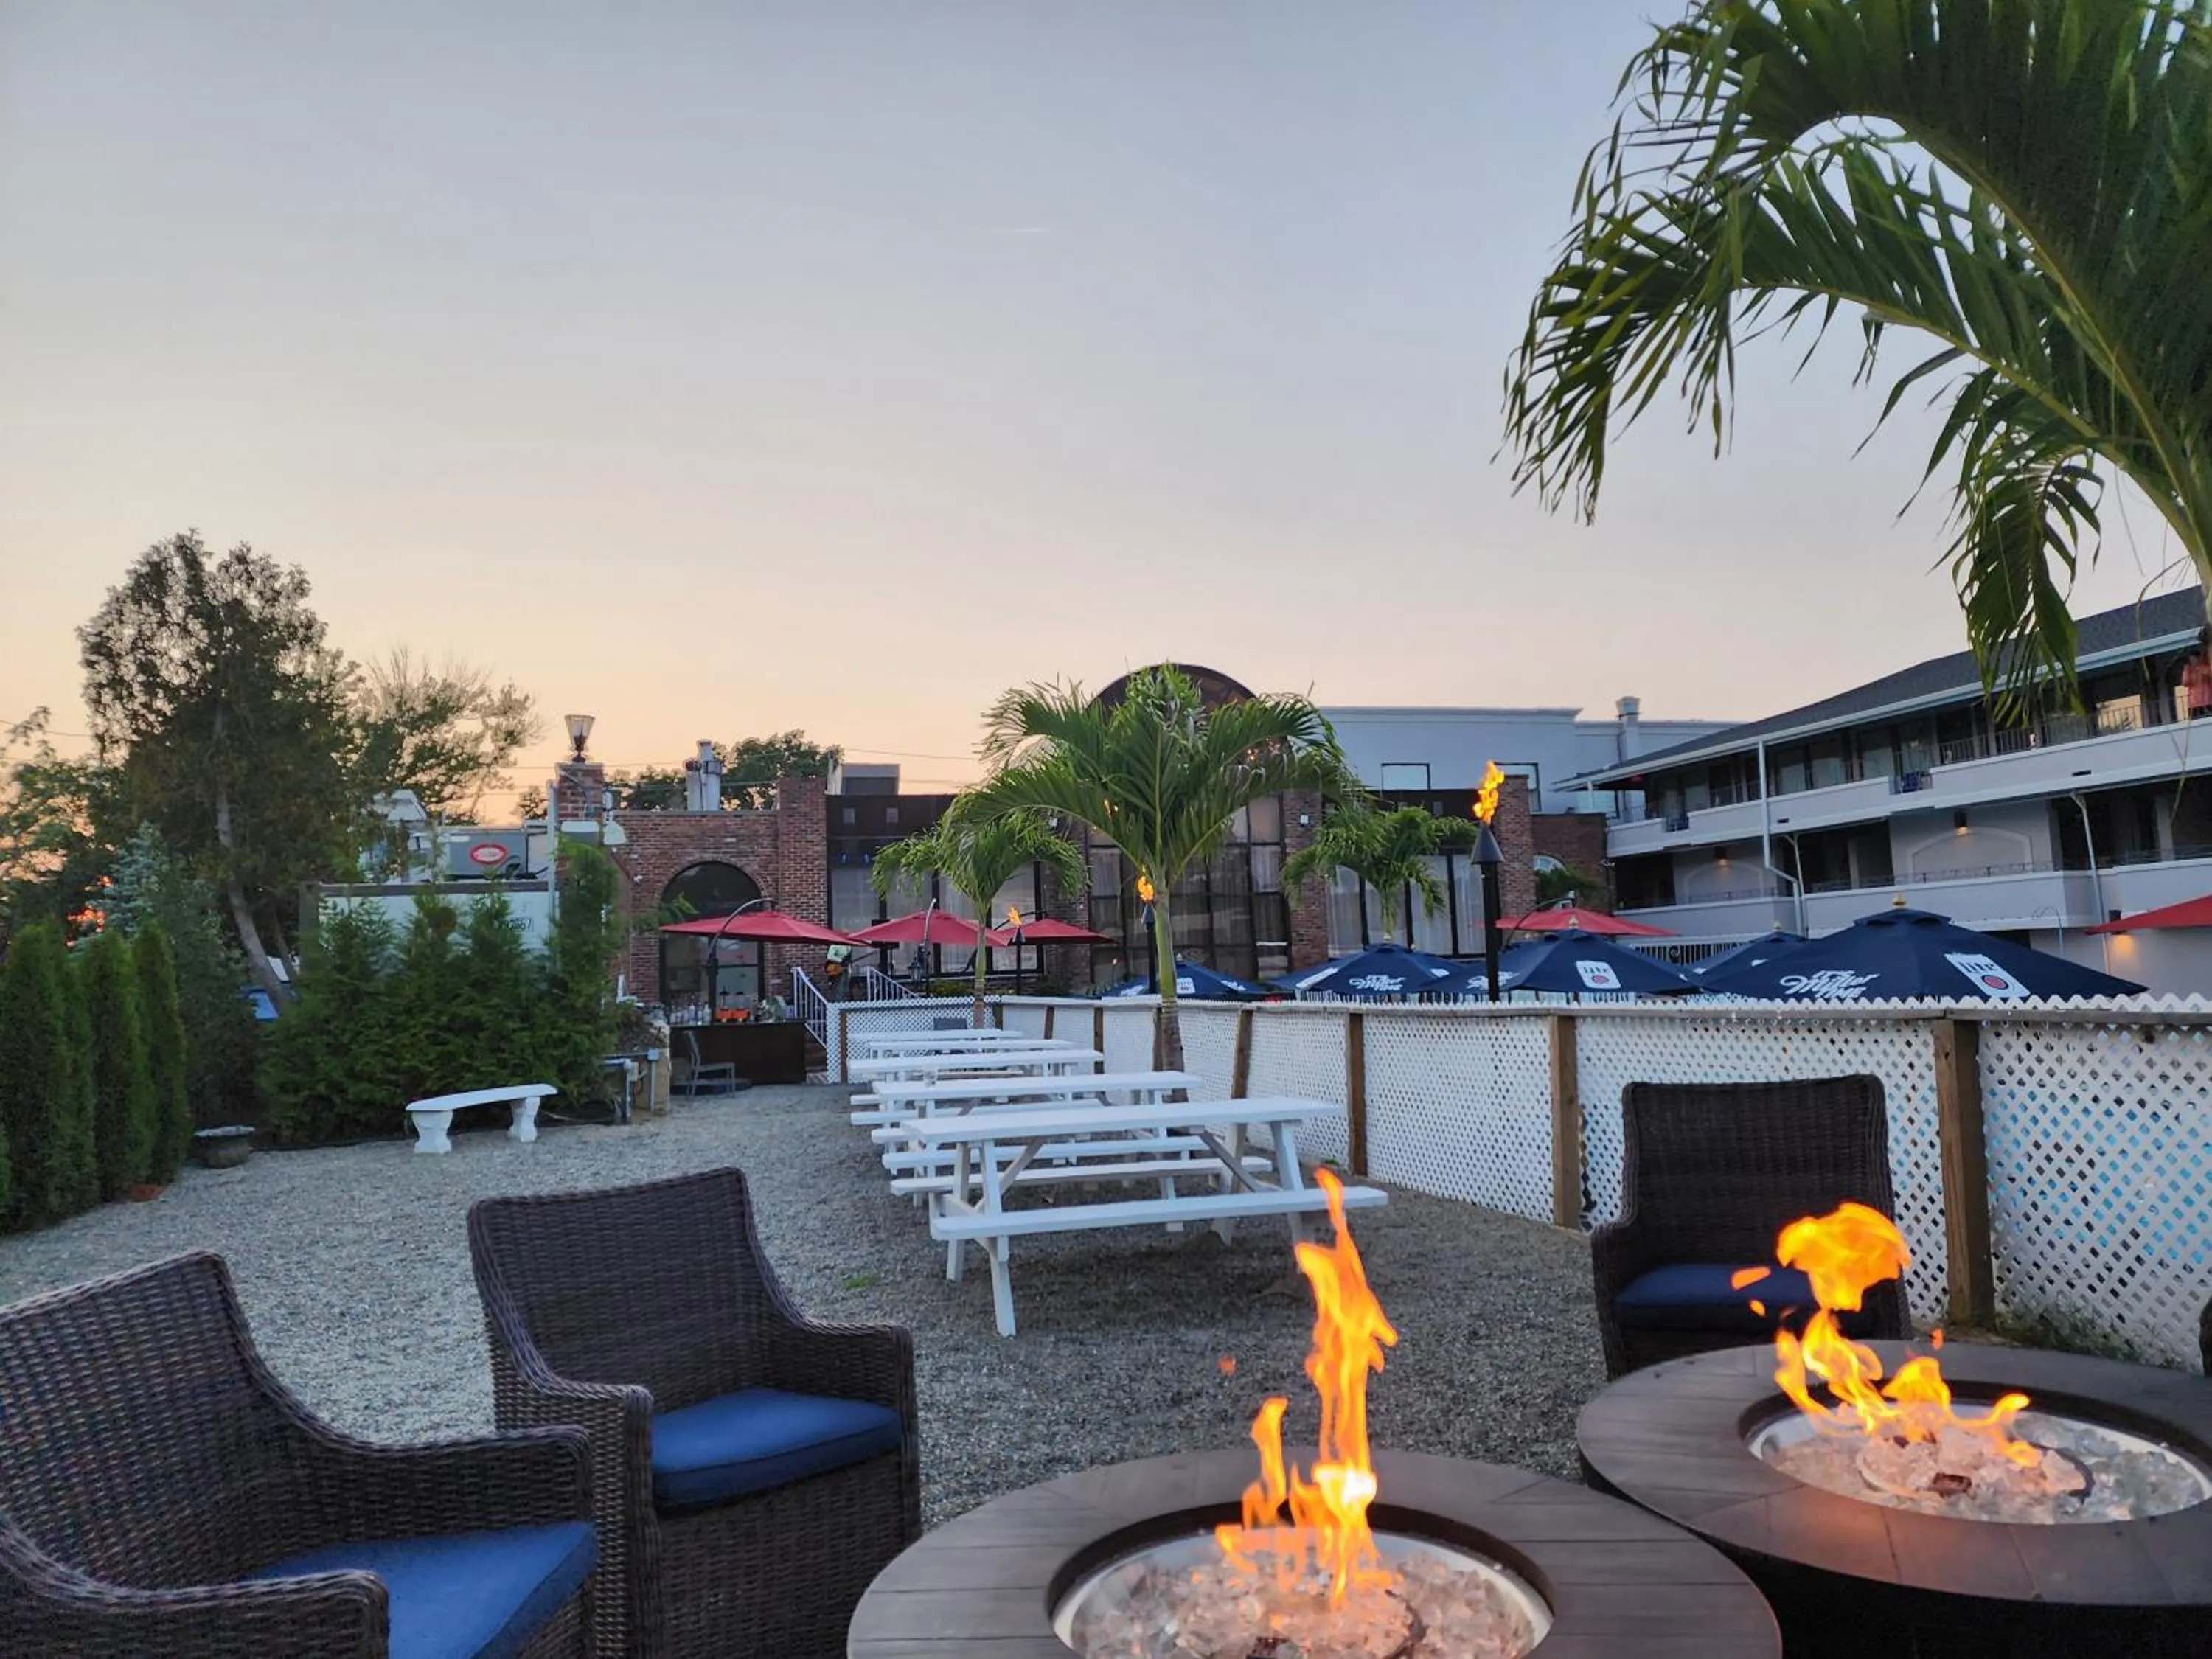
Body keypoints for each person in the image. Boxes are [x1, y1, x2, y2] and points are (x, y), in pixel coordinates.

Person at [2185, 633, 2212, 720]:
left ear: (2198, 659)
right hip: (2194, 702)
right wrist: (2187, 671)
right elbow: (2185, 683)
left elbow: (2209, 674)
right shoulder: (2189, 670)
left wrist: (2201, 670)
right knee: (2195, 721)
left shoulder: (2205, 667)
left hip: (2207, 699)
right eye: (2191, 660)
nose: (2193, 662)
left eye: (2194, 659)